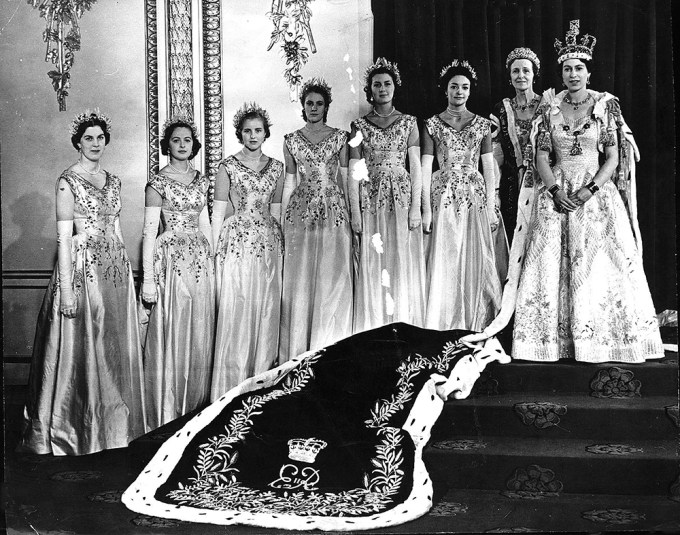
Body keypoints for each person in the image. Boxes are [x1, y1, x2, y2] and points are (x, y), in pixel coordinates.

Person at [464, 20, 664, 363]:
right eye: (568, 68)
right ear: (561, 73)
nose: (573, 74)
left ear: (588, 72)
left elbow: (613, 156)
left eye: (579, 68)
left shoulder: (604, 105)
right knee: (548, 263)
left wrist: (590, 189)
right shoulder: (550, 108)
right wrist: (555, 189)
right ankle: (550, 343)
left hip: (594, 192)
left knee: (599, 263)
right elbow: (541, 156)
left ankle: (600, 340)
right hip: (556, 190)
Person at [20, 110, 146, 455]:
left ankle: (115, 428)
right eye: (88, 138)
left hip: (114, 270)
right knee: (86, 349)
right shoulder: (67, 180)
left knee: (112, 348)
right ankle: (77, 428)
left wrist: (128, 280)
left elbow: (118, 231)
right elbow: (64, 239)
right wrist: (66, 290)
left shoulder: (115, 180)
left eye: (100, 137)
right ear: (78, 142)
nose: (95, 143)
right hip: (82, 269)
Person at [140, 116, 215, 430]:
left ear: (193, 145)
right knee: (175, 326)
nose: (182, 145)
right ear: (167, 145)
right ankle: (169, 407)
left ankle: (197, 406)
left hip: (199, 258)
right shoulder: (157, 182)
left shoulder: (202, 180)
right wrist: (147, 279)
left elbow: (206, 224)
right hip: (170, 259)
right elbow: (148, 231)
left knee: (200, 328)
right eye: (176, 140)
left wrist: (215, 261)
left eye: (187, 140)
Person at [421, 60, 502, 332]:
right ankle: (443, 321)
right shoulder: (432, 123)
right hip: (442, 193)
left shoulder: (481, 125)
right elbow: (425, 165)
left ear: (470, 91)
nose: (459, 92)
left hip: (474, 194)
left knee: (474, 254)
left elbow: (489, 168)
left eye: (464, 87)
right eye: (454, 87)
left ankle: (474, 321)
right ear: (446, 90)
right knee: (446, 252)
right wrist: (425, 209)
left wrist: (491, 206)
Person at [211, 103, 284, 399]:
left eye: (258, 130)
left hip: (268, 242)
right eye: (247, 131)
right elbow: (217, 214)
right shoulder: (226, 166)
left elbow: (277, 211)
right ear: (239, 134)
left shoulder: (277, 167)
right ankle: (231, 389)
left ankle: (261, 389)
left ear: (266, 133)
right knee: (238, 307)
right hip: (238, 241)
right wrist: (214, 251)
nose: (253, 135)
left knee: (266, 309)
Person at [348, 57, 426, 332]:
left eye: (387, 84)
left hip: (402, 197)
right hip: (371, 197)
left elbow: (415, 167)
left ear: (395, 87)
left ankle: (403, 323)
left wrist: (416, 208)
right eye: (377, 84)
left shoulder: (409, 122)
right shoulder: (359, 126)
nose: (382, 89)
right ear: (370, 89)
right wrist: (355, 214)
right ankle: (375, 325)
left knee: (401, 257)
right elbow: (354, 171)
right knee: (374, 256)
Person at [279, 78, 353, 362]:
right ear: (303, 106)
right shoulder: (291, 140)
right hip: (301, 211)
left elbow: (346, 179)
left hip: (333, 208)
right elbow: (289, 182)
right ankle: (301, 347)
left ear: (326, 107)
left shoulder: (339, 137)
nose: (313, 108)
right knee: (303, 276)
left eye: (319, 103)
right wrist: (284, 221)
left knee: (332, 273)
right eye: (309, 103)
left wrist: (352, 215)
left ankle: (329, 344)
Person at [491, 47, 542, 244]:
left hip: (543, 180)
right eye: (515, 71)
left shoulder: (549, 105)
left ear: (534, 75)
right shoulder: (502, 109)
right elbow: (497, 155)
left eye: (526, 71)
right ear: (510, 76)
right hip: (513, 184)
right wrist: (495, 192)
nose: (521, 75)